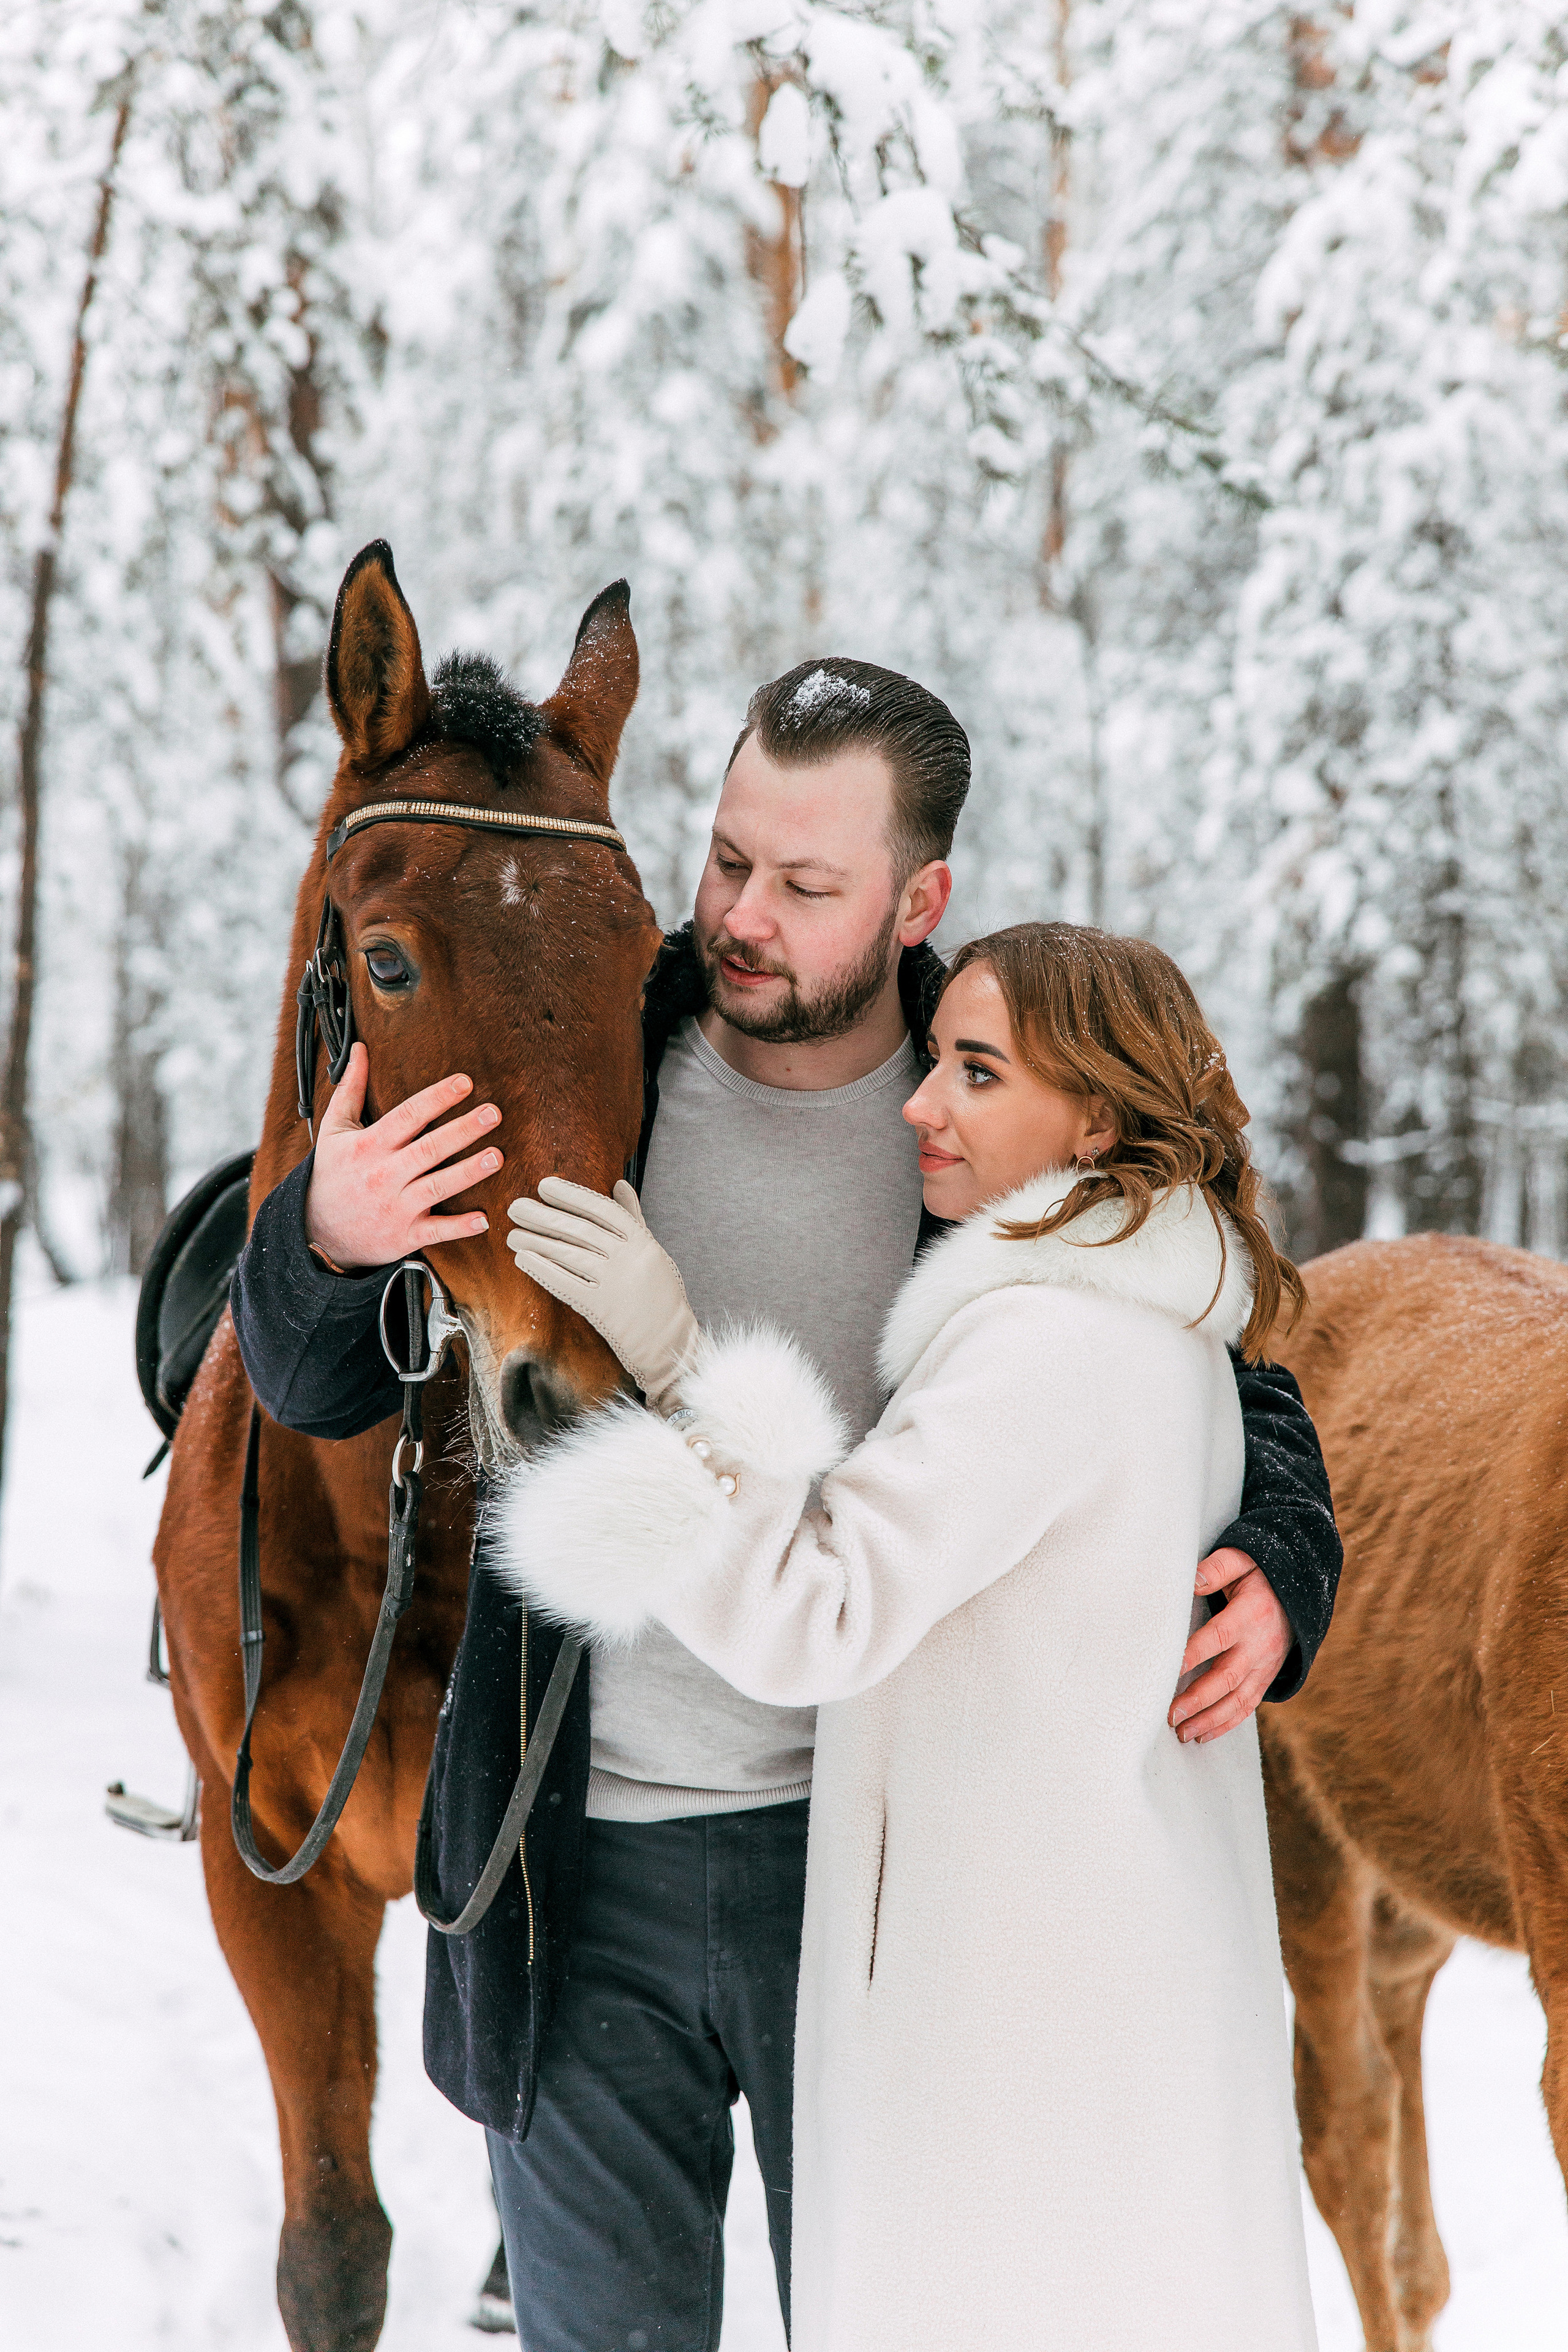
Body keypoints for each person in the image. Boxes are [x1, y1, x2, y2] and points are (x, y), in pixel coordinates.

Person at [231, 659, 1340, 2352]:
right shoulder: (592, 1027)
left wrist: (1280, 1543)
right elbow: (318, 1380)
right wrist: (327, 1235)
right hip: (574, 1857)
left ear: (920, 899)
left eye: (808, 886)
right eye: (728, 858)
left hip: (881, 1878)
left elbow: (1190, 1330)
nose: (743, 917)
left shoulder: (992, 1107)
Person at [500, 922, 1320, 2351]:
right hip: (1093, 1979)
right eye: (936, 1061)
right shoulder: (1152, 1308)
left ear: (1099, 1117)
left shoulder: (1047, 1342)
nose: (918, 1106)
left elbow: (812, 1612)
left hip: (1005, 2020)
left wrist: (674, 1361)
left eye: (975, 1074)